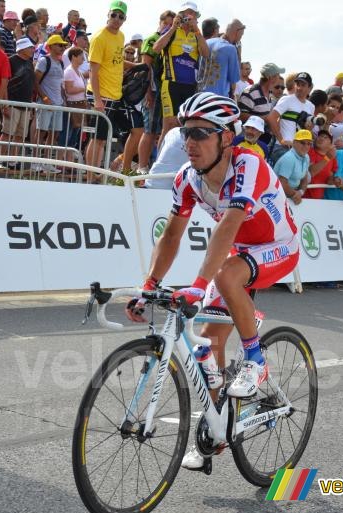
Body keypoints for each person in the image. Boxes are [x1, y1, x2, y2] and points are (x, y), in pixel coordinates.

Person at [124, 93, 299, 471]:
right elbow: (171, 236)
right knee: (208, 341)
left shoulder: (247, 164)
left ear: (226, 138)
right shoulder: (188, 179)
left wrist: (200, 284)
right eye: (186, 132)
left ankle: (256, 359)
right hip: (237, 253)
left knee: (225, 274)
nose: (191, 141)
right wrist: (149, 284)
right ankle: (219, 429)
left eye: (202, 133)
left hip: (278, 246)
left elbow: (229, 225)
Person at [85, 1, 143, 176]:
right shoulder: (99, 38)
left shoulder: (121, 36)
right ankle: (91, 176)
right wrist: (97, 99)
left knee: (137, 129)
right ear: (108, 15)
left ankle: (120, 168)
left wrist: (136, 66)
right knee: (98, 138)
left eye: (121, 16)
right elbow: (93, 71)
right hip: (101, 94)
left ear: (125, 19)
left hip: (116, 95)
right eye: (114, 15)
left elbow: (115, 61)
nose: (117, 19)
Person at [152, 1, 209, 142]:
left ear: (196, 17)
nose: (188, 17)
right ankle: (160, 161)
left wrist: (197, 30)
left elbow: (206, 54)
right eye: (185, 13)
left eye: (192, 14)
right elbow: (156, 48)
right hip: (171, 83)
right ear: (180, 15)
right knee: (169, 124)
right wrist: (172, 28)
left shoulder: (196, 35)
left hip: (190, 86)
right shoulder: (173, 31)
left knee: (184, 124)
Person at [137, 10, 176, 173]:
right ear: (160, 22)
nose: (168, 26)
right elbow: (144, 68)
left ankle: (156, 166)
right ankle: (142, 167)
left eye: (171, 24)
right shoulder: (152, 39)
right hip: (152, 91)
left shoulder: (171, 41)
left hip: (165, 91)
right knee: (149, 131)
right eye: (166, 23)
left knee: (160, 132)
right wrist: (148, 93)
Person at [0, 37, 35, 168]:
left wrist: (30, 107)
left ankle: (12, 160)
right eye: (30, 47)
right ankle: (1, 160)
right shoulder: (10, 61)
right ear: (23, 48)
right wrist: (5, 103)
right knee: (7, 133)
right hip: (12, 103)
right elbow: (5, 82)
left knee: (20, 135)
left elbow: (31, 85)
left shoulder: (30, 63)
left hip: (25, 105)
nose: (33, 50)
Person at [33, 34, 66, 174]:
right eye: (59, 45)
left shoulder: (60, 62)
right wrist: (44, 97)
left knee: (54, 134)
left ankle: (47, 162)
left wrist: (63, 99)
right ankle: (35, 162)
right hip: (46, 103)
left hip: (58, 103)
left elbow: (59, 84)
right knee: (41, 132)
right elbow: (35, 81)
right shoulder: (44, 60)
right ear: (51, 46)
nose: (62, 48)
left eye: (63, 45)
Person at [270, 71, 315, 159]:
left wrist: (309, 127)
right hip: (283, 148)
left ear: (309, 88)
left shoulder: (311, 106)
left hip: (299, 150)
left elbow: (307, 130)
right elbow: (271, 118)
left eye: (303, 85)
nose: (299, 87)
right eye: (297, 84)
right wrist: (281, 140)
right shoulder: (287, 99)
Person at [200, 19, 244, 98]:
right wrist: (239, 55)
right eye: (242, 34)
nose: (241, 37)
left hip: (199, 96)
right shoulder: (231, 49)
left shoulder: (206, 42)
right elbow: (234, 81)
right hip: (218, 99)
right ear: (237, 32)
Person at [273, 129, 312, 205]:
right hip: (277, 195)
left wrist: (300, 192)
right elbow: (282, 183)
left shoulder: (306, 157)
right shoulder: (289, 158)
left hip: (290, 194)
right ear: (294, 143)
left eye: (309, 144)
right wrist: (295, 195)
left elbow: (305, 178)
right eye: (302, 143)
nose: (306, 146)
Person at [63, 47, 88, 147]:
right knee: (66, 136)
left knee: (73, 138)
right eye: (81, 55)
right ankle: (60, 162)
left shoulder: (78, 72)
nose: (83, 57)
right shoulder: (69, 71)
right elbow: (69, 90)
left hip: (79, 106)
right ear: (73, 57)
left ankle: (68, 161)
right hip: (72, 106)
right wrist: (84, 89)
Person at [304, 130, 337, 199]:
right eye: (320, 136)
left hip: (319, 201)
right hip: (302, 198)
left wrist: (335, 180)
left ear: (331, 145)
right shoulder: (309, 151)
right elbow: (310, 173)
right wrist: (327, 158)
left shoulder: (332, 159)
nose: (321, 138)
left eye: (326, 138)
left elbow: (330, 178)